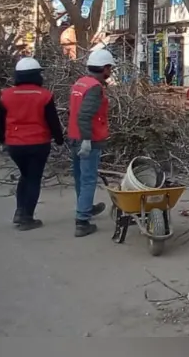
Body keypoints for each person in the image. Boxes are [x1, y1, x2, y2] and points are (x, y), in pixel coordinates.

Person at [0, 57, 66, 230]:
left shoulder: (6, 95)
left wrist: (2, 139)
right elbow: (53, 121)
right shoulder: (44, 95)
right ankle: (27, 217)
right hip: (38, 144)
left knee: (24, 176)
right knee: (34, 178)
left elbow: (0, 121)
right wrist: (59, 140)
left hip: (15, 145)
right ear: (36, 75)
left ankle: (20, 211)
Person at [68, 48, 114, 237]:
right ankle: (82, 221)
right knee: (88, 180)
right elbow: (85, 115)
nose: (110, 72)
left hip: (74, 136)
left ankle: (84, 207)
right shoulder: (95, 88)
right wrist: (87, 140)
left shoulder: (80, 83)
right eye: (110, 68)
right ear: (104, 68)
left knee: (80, 177)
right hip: (88, 139)